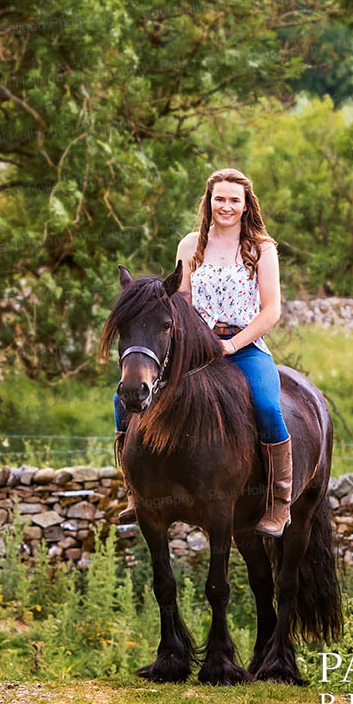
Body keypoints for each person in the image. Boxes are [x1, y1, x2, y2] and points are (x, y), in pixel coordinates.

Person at [113, 167, 293, 536]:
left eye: (234, 200)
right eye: (219, 199)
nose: (226, 206)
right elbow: (182, 302)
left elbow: (271, 310)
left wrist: (232, 343)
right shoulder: (189, 245)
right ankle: (135, 491)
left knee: (267, 405)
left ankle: (278, 502)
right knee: (123, 400)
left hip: (244, 347)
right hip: (195, 348)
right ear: (209, 202)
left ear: (246, 205)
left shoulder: (262, 248)